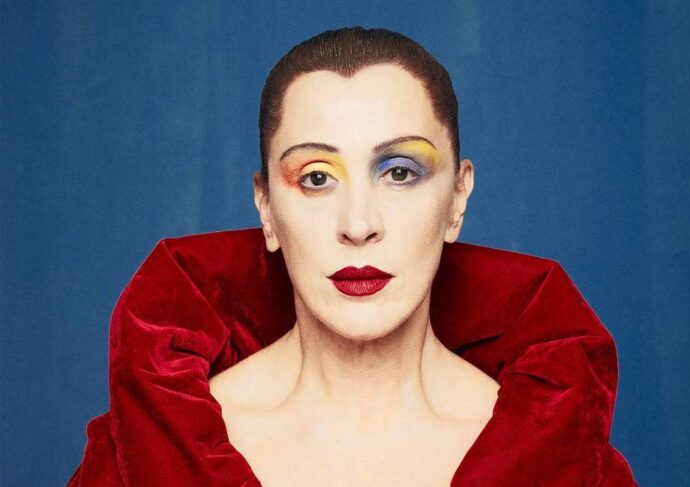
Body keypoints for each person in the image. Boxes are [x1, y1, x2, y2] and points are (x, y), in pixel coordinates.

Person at [69, 27, 636, 486]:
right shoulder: (139, 458)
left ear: (458, 198)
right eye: (316, 177)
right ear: (266, 208)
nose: (359, 225)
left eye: (399, 173)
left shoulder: (566, 459)